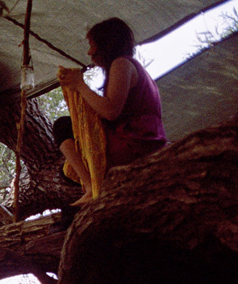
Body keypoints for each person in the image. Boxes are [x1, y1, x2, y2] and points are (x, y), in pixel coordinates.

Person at [54, 18, 166, 204]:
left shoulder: (122, 64)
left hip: (135, 143)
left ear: (106, 44)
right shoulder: (130, 67)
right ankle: (90, 186)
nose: (89, 53)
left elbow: (111, 111)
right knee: (67, 167)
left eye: (92, 45)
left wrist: (80, 85)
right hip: (139, 140)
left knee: (63, 126)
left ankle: (92, 188)